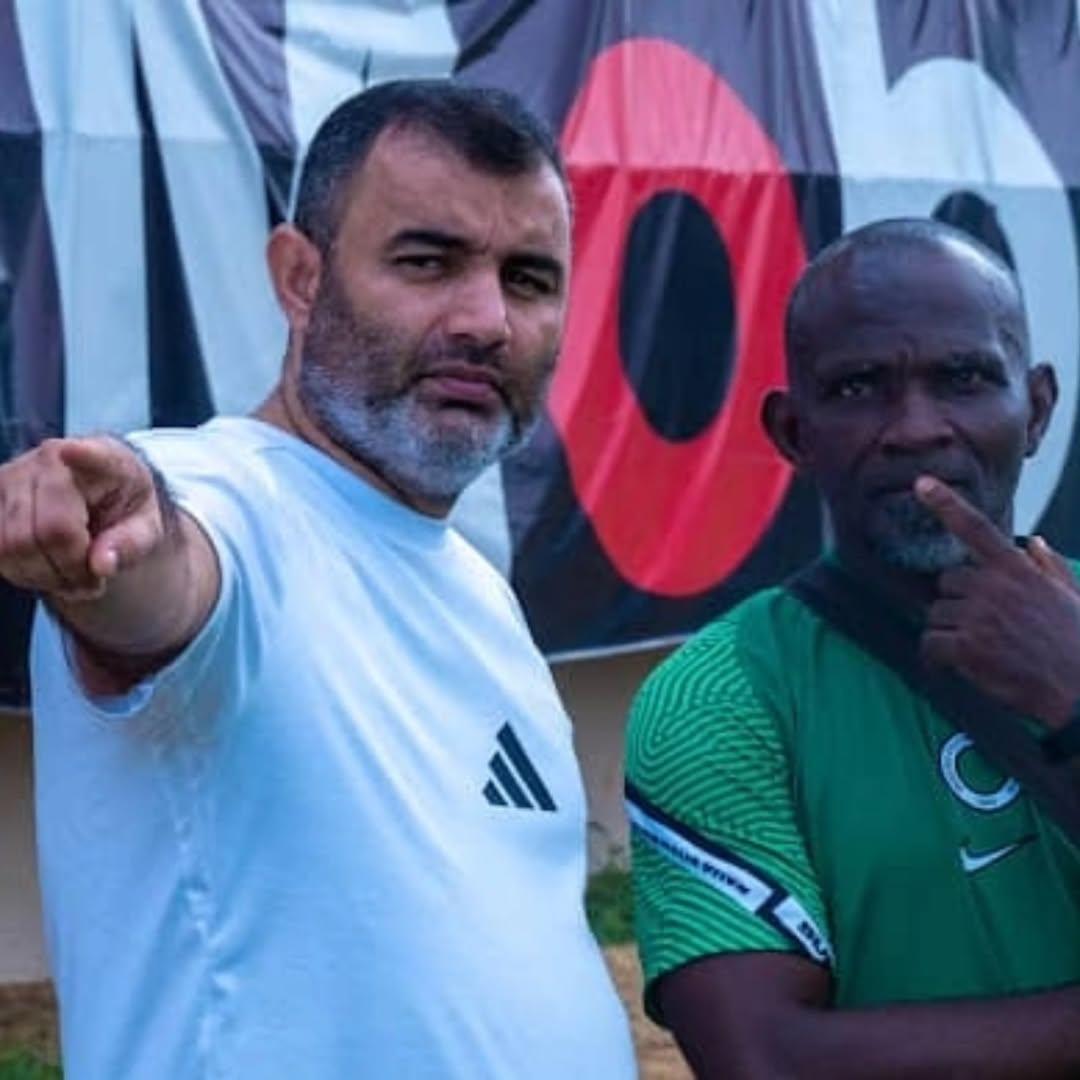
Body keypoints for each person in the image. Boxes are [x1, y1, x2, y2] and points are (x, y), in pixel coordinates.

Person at [0, 80, 636, 1078]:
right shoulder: (225, 500)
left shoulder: (476, 590)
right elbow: (163, 586)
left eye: (527, 279)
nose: (487, 321)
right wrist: (122, 536)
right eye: (427, 261)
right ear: (299, 278)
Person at [625, 218, 1080, 1077]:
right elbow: (765, 1060)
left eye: (964, 378)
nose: (916, 429)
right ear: (792, 432)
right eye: (859, 387)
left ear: (1038, 409)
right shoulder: (718, 696)